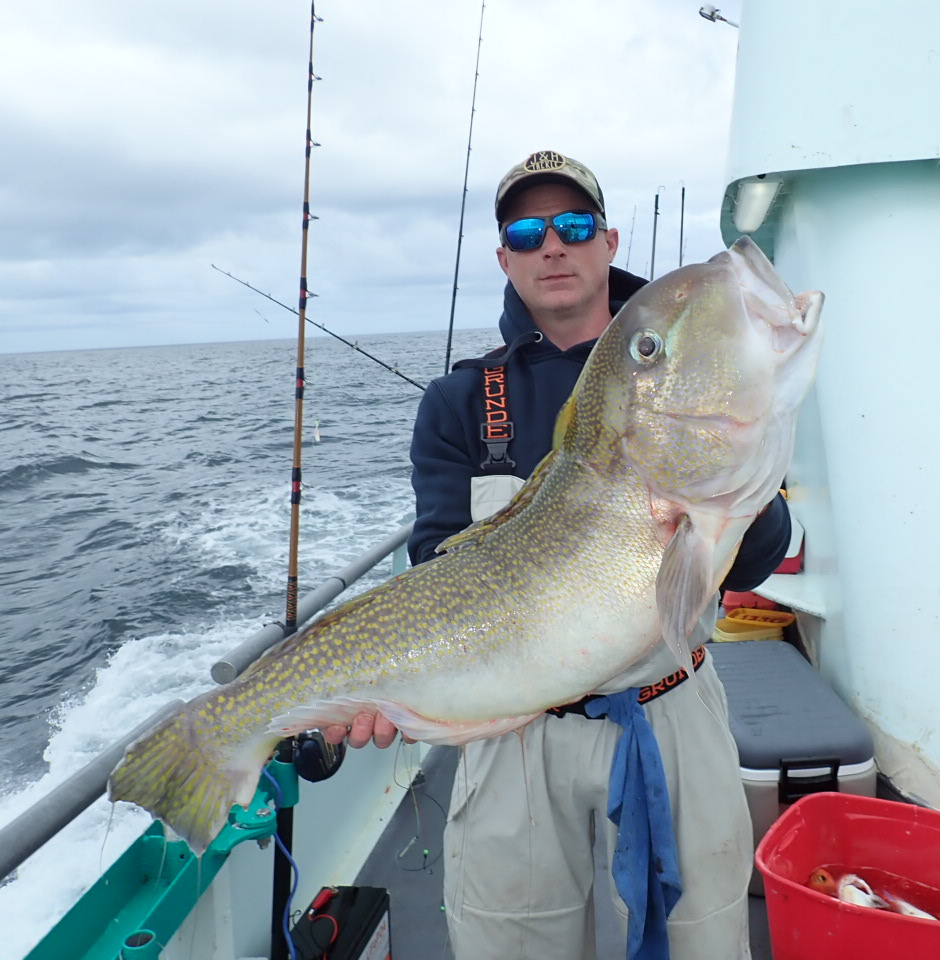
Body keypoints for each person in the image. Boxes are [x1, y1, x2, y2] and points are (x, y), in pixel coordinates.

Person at [325, 150, 791, 959]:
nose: (553, 245)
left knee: (704, 941)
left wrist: (722, 496)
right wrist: (385, 692)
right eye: (528, 230)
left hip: (669, 706)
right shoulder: (462, 400)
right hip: (514, 737)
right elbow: (439, 566)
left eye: (573, 226)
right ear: (505, 258)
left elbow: (752, 567)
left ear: (607, 242)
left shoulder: (689, 372)